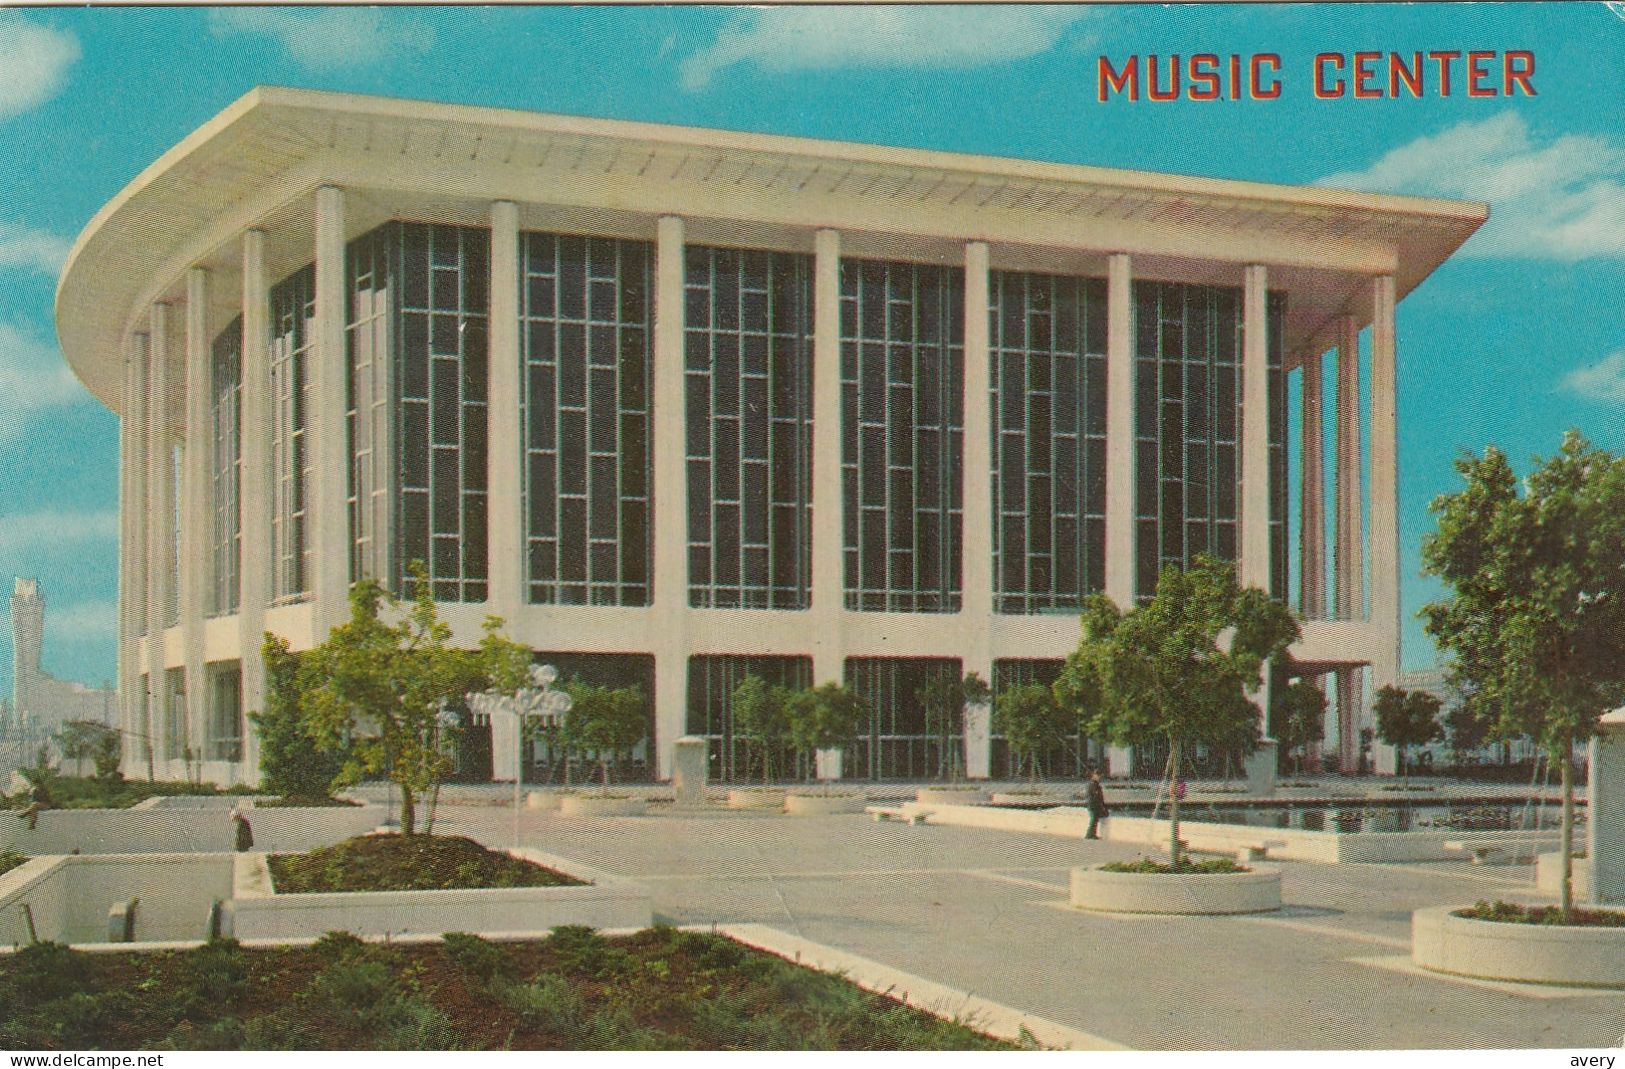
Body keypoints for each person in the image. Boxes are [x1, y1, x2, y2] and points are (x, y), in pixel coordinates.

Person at [1084, 768, 1109, 840]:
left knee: (1095, 820)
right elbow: (1096, 796)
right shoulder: (1093, 784)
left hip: (1094, 805)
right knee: (1093, 820)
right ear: (1095, 775)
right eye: (1099, 776)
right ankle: (1089, 834)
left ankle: (1092, 834)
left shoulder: (1095, 784)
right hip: (1093, 805)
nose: (1100, 778)